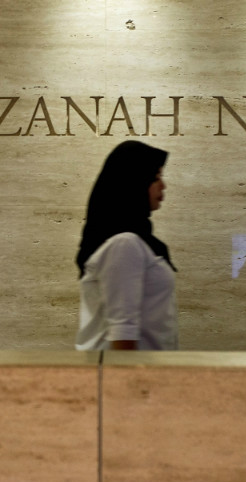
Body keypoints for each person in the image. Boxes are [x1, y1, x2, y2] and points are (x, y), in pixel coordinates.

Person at [75, 140, 178, 350]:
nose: (163, 185)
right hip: (129, 374)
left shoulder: (135, 241)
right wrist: (129, 381)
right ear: (134, 181)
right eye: (157, 177)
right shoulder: (124, 245)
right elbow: (122, 331)